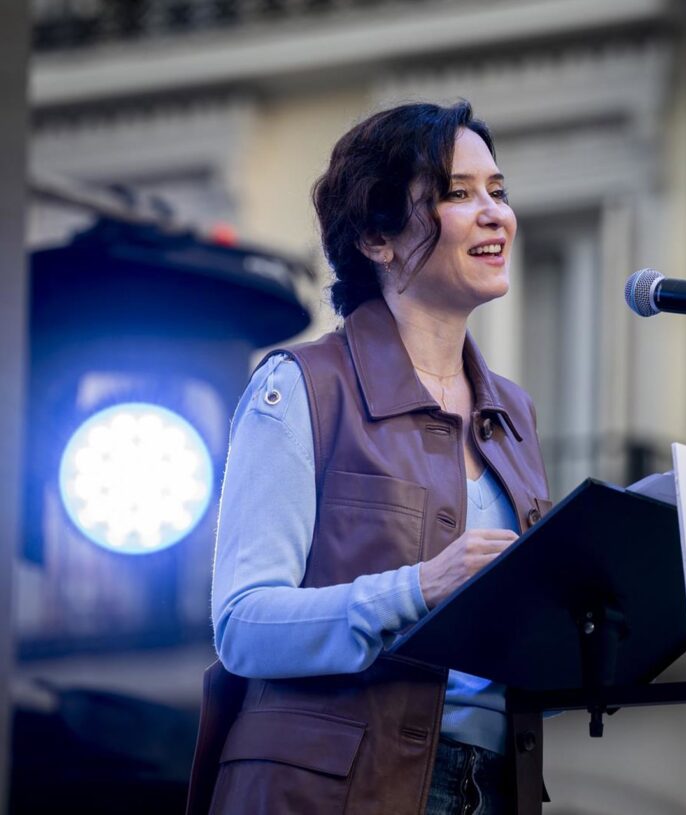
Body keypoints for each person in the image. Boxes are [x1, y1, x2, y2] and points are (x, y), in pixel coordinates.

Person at [186, 101, 552, 815]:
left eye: (498, 192)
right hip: (327, 790)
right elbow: (243, 624)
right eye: (458, 192)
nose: (495, 214)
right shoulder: (300, 385)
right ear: (378, 237)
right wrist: (417, 586)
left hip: (495, 784)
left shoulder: (514, 413)